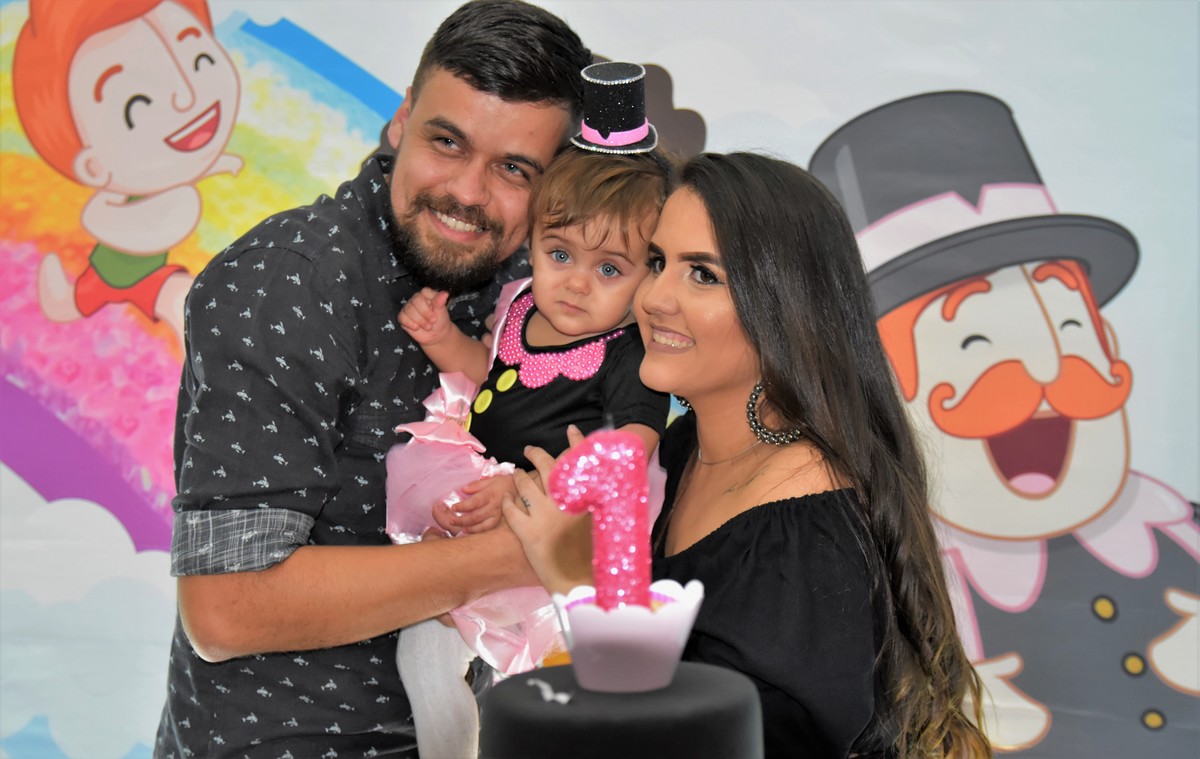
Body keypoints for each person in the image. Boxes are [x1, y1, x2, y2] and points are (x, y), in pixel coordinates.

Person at [154, 1, 592, 756]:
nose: (467, 192)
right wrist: (527, 554)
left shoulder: (546, 282)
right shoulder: (285, 285)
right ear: (401, 119)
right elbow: (226, 608)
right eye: (447, 141)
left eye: (514, 169)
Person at [506, 152, 992, 758]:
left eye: (702, 274)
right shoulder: (682, 449)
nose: (654, 297)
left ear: (784, 309)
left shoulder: (808, 530)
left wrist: (582, 582)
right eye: (656, 262)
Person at [392, 61, 673, 758]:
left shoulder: (627, 352)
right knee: (422, 659)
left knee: (534, 685)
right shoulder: (521, 305)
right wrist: (441, 338)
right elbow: (486, 373)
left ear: (649, 276)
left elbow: (630, 452)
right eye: (559, 254)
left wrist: (529, 489)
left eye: (609, 269)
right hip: (479, 503)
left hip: (556, 534)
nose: (575, 283)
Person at [13, 0, 242, 349]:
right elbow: (98, 217)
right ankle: (64, 301)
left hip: (149, 272)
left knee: (175, 295)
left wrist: (217, 164)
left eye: (201, 60)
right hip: (115, 270)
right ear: (92, 165)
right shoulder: (117, 200)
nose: (187, 97)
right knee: (90, 295)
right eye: (137, 103)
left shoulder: (163, 179)